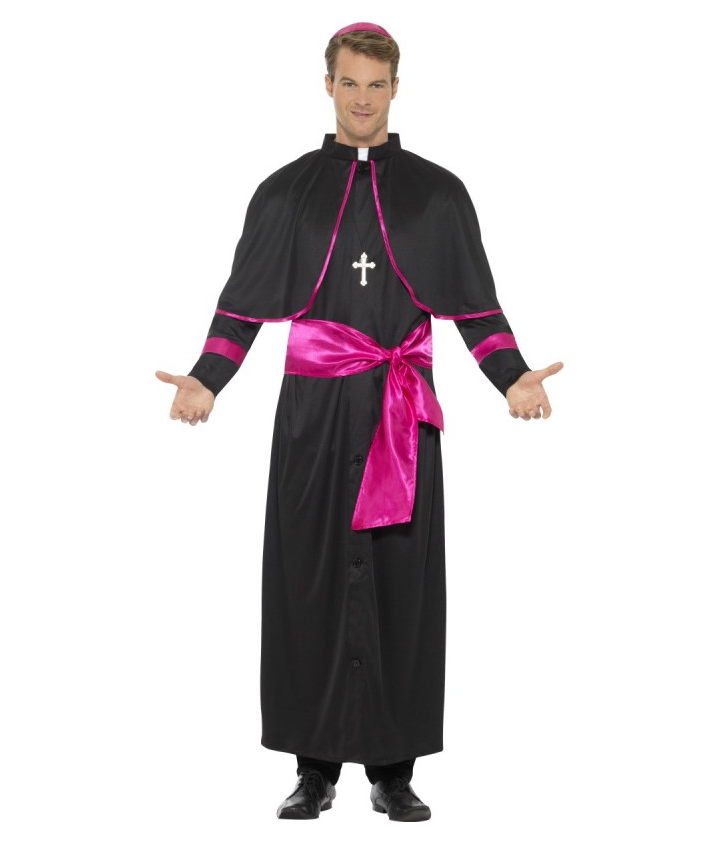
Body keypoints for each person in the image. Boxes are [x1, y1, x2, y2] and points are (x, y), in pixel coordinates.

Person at [156, 22, 562, 822]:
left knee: (401, 583)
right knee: (306, 579)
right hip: (313, 417)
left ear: (396, 89)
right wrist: (206, 378)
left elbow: (475, 305)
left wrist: (512, 377)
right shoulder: (286, 193)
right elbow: (243, 304)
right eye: (350, 83)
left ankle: (393, 771)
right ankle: (313, 770)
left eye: (377, 85)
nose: (364, 99)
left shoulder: (438, 195)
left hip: (401, 414)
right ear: (329, 86)